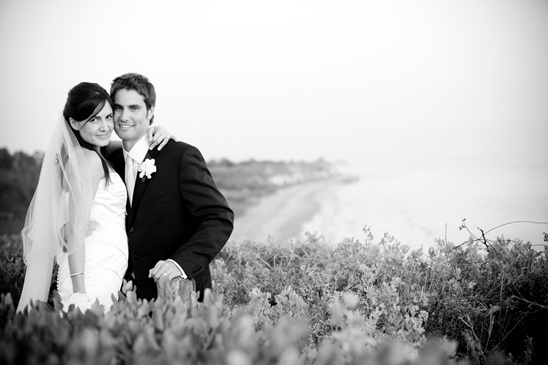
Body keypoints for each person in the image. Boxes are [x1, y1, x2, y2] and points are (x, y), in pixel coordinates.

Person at [16, 82, 173, 313]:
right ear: (74, 123)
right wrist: (80, 292)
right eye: (94, 119)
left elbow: (130, 147)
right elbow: (76, 229)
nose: (105, 127)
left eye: (108, 117)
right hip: (92, 271)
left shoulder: (91, 156)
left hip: (105, 266)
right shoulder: (88, 160)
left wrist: (154, 131)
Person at [105, 73, 234, 301]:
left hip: (180, 296)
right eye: (118, 108)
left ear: (151, 111)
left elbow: (219, 217)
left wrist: (180, 263)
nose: (124, 116)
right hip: (128, 299)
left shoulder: (180, 157)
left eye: (134, 108)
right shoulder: (109, 159)